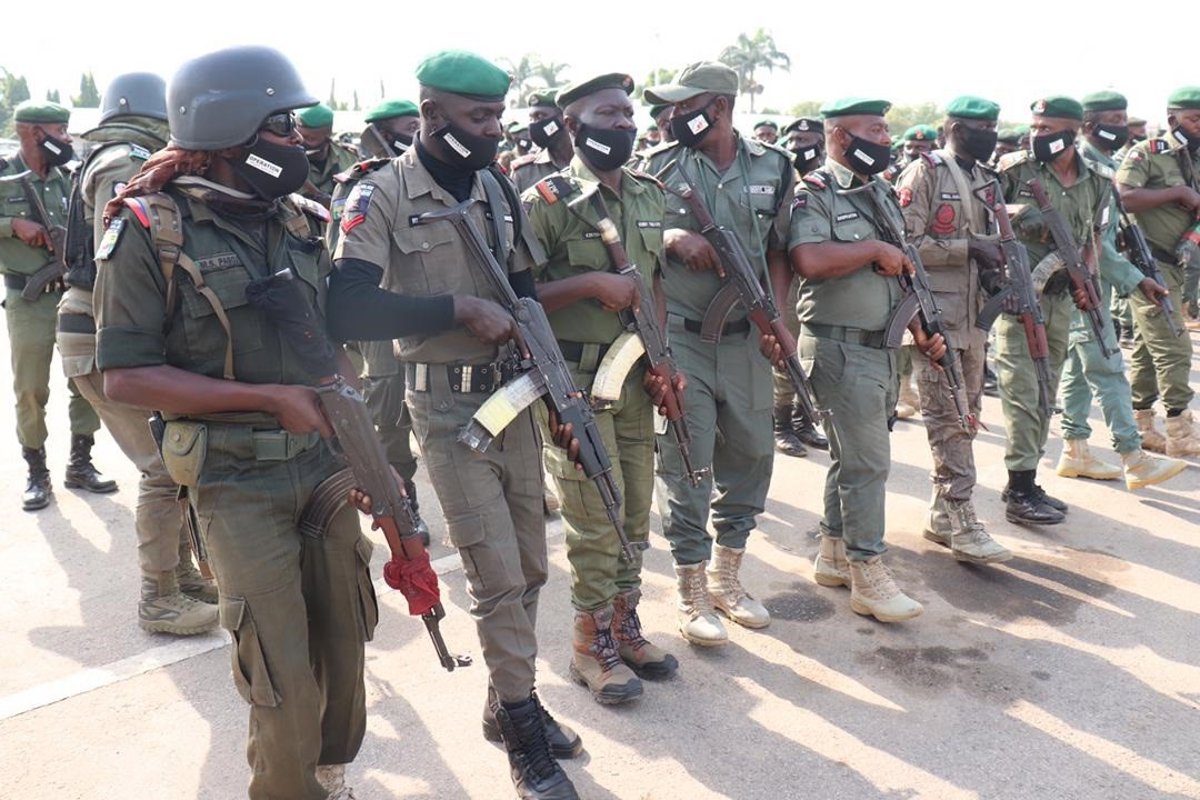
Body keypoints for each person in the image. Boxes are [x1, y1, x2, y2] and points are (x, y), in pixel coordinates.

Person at [93, 46, 372, 800]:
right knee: (279, 668)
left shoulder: (302, 220)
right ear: (229, 132)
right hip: (234, 478)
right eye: (282, 125)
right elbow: (125, 376)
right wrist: (271, 399)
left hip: (324, 467)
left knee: (345, 643)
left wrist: (369, 454)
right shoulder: (149, 228)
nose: (298, 139)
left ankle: (331, 774)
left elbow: (333, 348)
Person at [326, 49, 582, 800]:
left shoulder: (498, 187)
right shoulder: (380, 194)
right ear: (431, 114)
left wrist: (559, 391)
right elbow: (346, 307)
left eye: (499, 114)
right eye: (479, 116)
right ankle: (524, 736)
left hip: (516, 398)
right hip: (445, 407)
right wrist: (455, 310)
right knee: (496, 576)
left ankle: (507, 703)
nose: (495, 128)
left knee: (531, 566)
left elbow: (524, 289)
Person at [521, 72, 680, 705]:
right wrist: (588, 285)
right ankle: (589, 645)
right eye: (608, 113)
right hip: (577, 383)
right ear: (572, 125)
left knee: (635, 509)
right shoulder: (546, 201)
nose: (623, 124)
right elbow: (515, 297)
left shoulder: (647, 193)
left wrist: (664, 359)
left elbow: (655, 283)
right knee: (596, 517)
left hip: (636, 376)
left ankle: (622, 624)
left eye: (628, 114)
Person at [56, 71, 219, 635]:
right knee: (163, 466)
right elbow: (122, 257)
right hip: (102, 331)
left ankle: (183, 575)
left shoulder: (114, 154)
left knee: (174, 461)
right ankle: (159, 595)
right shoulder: (124, 160)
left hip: (101, 328)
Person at [639, 62, 794, 645]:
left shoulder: (774, 167)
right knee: (688, 459)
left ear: (721, 107)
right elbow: (632, 239)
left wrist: (777, 318)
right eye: (673, 107)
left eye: (687, 105)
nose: (675, 115)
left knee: (753, 454)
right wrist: (670, 237)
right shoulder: (658, 168)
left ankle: (727, 577)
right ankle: (691, 588)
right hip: (682, 337)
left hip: (746, 338)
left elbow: (780, 249)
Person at [788, 97, 945, 622]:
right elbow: (808, 258)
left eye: (885, 130)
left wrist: (921, 327)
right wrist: (871, 250)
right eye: (875, 130)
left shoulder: (880, 190)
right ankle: (868, 571)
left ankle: (834, 554)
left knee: (850, 459)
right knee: (868, 464)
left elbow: (901, 270)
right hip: (839, 347)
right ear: (840, 136)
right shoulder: (814, 192)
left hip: (881, 346)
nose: (885, 139)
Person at [895, 95, 1012, 564]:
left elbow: (994, 244)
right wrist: (968, 248)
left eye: (993, 127)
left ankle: (942, 514)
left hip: (975, 320)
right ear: (955, 129)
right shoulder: (925, 172)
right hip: (935, 319)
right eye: (980, 128)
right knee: (948, 420)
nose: (989, 135)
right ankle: (964, 520)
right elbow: (905, 243)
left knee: (967, 418)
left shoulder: (987, 179)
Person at [1054, 90, 1185, 489]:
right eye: (1113, 120)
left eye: (1123, 119)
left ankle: (1075, 449)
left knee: (1079, 367)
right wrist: (1136, 279)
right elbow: (1092, 244)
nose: (1121, 127)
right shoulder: (1085, 169)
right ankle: (1133, 456)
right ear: (1089, 125)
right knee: (1108, 365)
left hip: (1095, 280)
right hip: (1084, 284)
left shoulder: (1105, 165)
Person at [995, 96, 1115, 524]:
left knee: (1047, 389)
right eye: (1034, 127)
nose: (1036, 135)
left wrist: (1089, 282)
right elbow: (985, 217)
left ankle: (1025, 481)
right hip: (1018, 298)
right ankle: (1020, 487)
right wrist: (1024, 215)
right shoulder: (1014, 169)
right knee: (1023, 392)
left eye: (1046, 128)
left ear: (1073, 130)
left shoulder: (1097, 179)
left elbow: (1093, 236)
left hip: (1061, 298)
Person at [0, 100, 115, 512]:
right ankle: (37, 472)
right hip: (28, 300)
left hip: (73, 294)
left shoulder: (71, 178)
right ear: (34, 133)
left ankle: (80, 464)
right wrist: (12, 225)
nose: (66, 139)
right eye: (59, 131)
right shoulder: (4, 176)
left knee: (85, 380)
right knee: (30, 389)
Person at [1116, 86, 1200, 458]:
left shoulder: (1196, 157)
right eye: (1195, 120)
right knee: (1175, 346)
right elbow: (1123, 196)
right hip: (1148, 264)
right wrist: (1176, 192)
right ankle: (1180, 430)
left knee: (1150, 350)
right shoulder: (1147, 153)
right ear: (1172, 120)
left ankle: (1142, 424)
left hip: (1180, 262)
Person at [773, 116, 829, 456]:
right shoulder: (779, 175)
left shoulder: (831, 178)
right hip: (789, 277)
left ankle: (803, 420)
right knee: (788, 353)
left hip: (822, 278)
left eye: (807, 141)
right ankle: (781, 425)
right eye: (794, 140)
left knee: (813, 356)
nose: (799, 146)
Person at [511, 88, 574, 193]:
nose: (533, 124)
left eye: (540, 116)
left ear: (563, 118)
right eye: (531, 119)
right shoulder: (524, 173)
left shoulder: (592, 160)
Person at [296, 103, 359, 207]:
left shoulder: (349, 159)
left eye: (310, 138)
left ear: (327, 136)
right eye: (299, 136)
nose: (301, 142)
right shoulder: (287, 162)